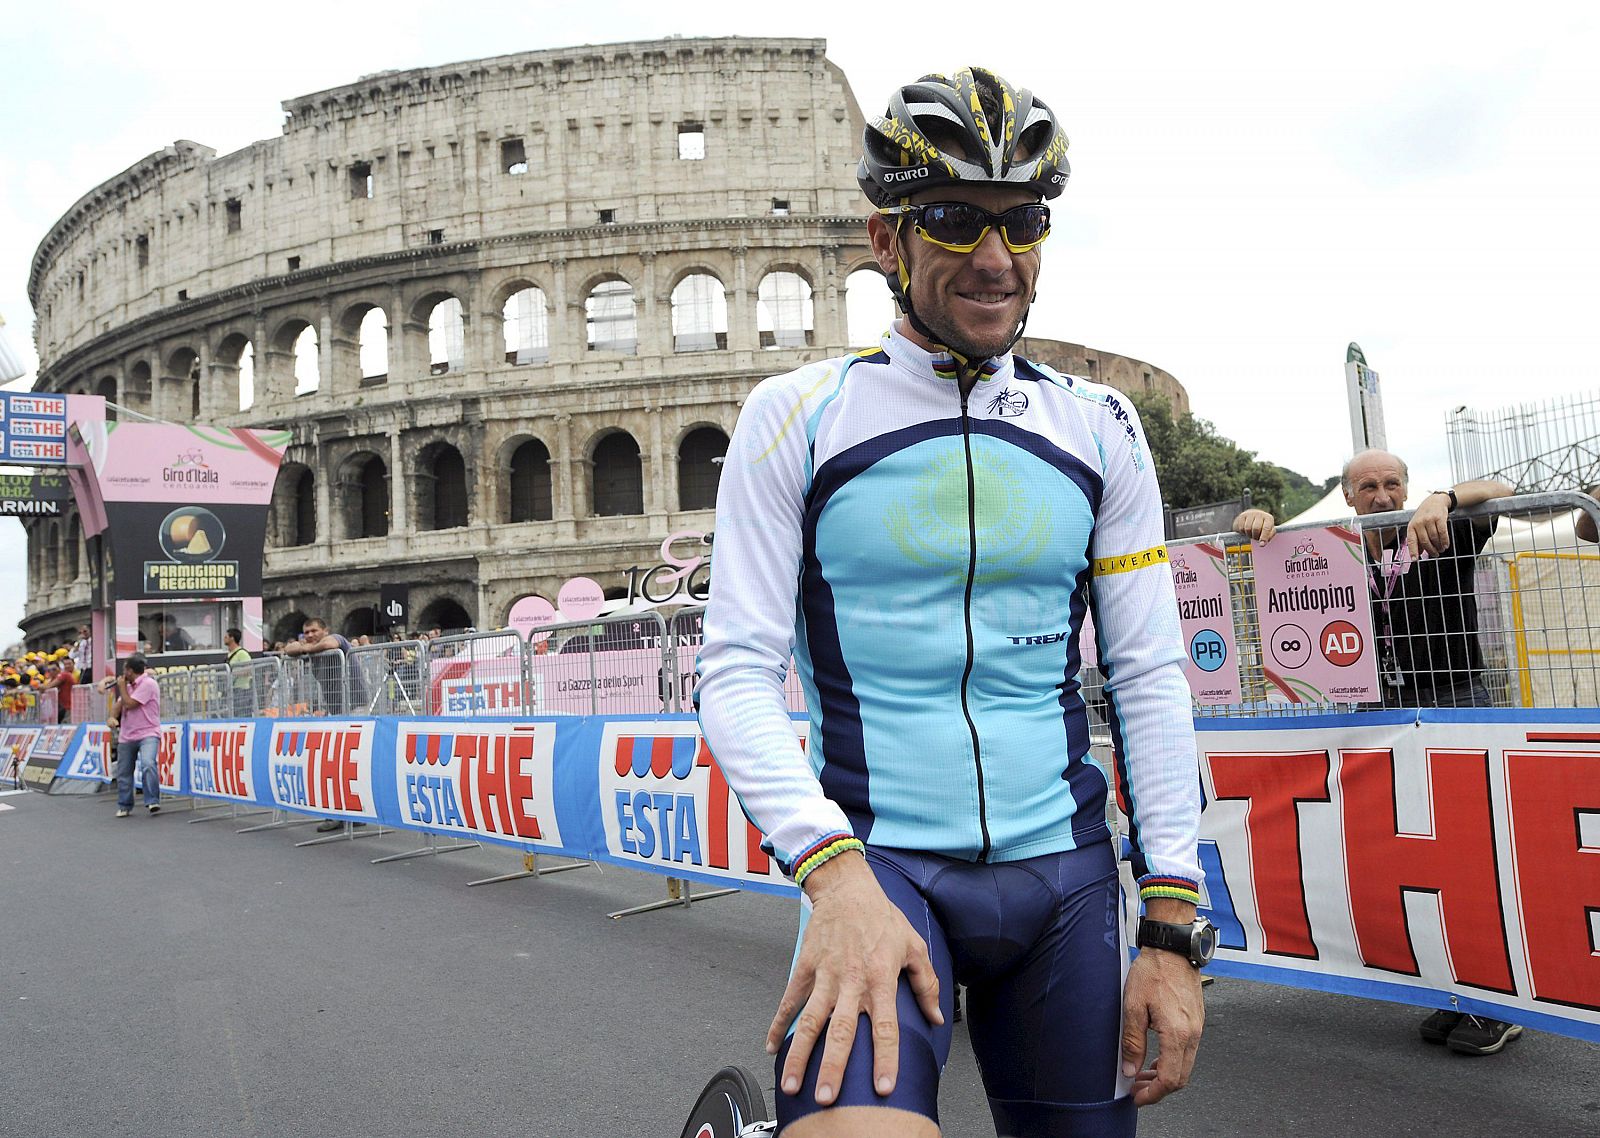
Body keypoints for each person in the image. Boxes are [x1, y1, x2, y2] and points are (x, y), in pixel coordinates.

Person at [696, 66, 1207, 1137]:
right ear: (886, 241)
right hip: (880, 868)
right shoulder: (796, 415)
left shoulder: (1101, 425)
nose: (992, 257)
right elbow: (735, 672)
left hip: (1064, 886)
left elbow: (1150, 675)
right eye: (952, 219)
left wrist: (1170, 923)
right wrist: (830, 874)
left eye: (1022, 222)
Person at [1234, 449, 1518, 1055]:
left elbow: (1504, 483)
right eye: (1369, 486)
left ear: (1408, 486)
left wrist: (1443, 496)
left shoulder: (1442, 529)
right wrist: (1258, 520)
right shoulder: (1330, 549)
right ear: (1347, 495)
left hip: (1451, 704)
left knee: (1468, 853)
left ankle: (1497, 1001)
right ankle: (1455, 992)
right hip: (1376, 714)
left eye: (1394, 484)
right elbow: (1264, 557)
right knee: (1410, 857)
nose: (1383, 496)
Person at [284, 617, 368, 831]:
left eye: (314, 631)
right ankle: (345, 812)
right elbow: (289, 649)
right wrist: (306, 647)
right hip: (336, 711)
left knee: (343, 763)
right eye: (306, 633)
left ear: (325, 630)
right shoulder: (311, 647)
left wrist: (307, 648)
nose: (310, 635)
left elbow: (330, 644)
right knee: (335, 763)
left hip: (354, 707)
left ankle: (346, 813)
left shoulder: (336, 639)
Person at [104, 654, 161, 818]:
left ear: (130, 671)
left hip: (148, 732)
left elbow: (130, 704)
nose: (122, 675)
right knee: (124, 771)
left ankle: (152, 800)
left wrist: (121, 686)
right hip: (127, 735)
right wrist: (112, 717)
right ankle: (125, 804)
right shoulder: (128, 686)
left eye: (125, 671)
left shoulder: (148, 684)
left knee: (148, 764)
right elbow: (120, 705)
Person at [224, 627, 253, 718]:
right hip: (233, 689)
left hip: (242, 690)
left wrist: (232, 673)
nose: (224, 638)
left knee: (242, 714)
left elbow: (249, 669)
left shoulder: (241, 653)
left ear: (232, 638)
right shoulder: (230, 654)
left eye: (226, 636)